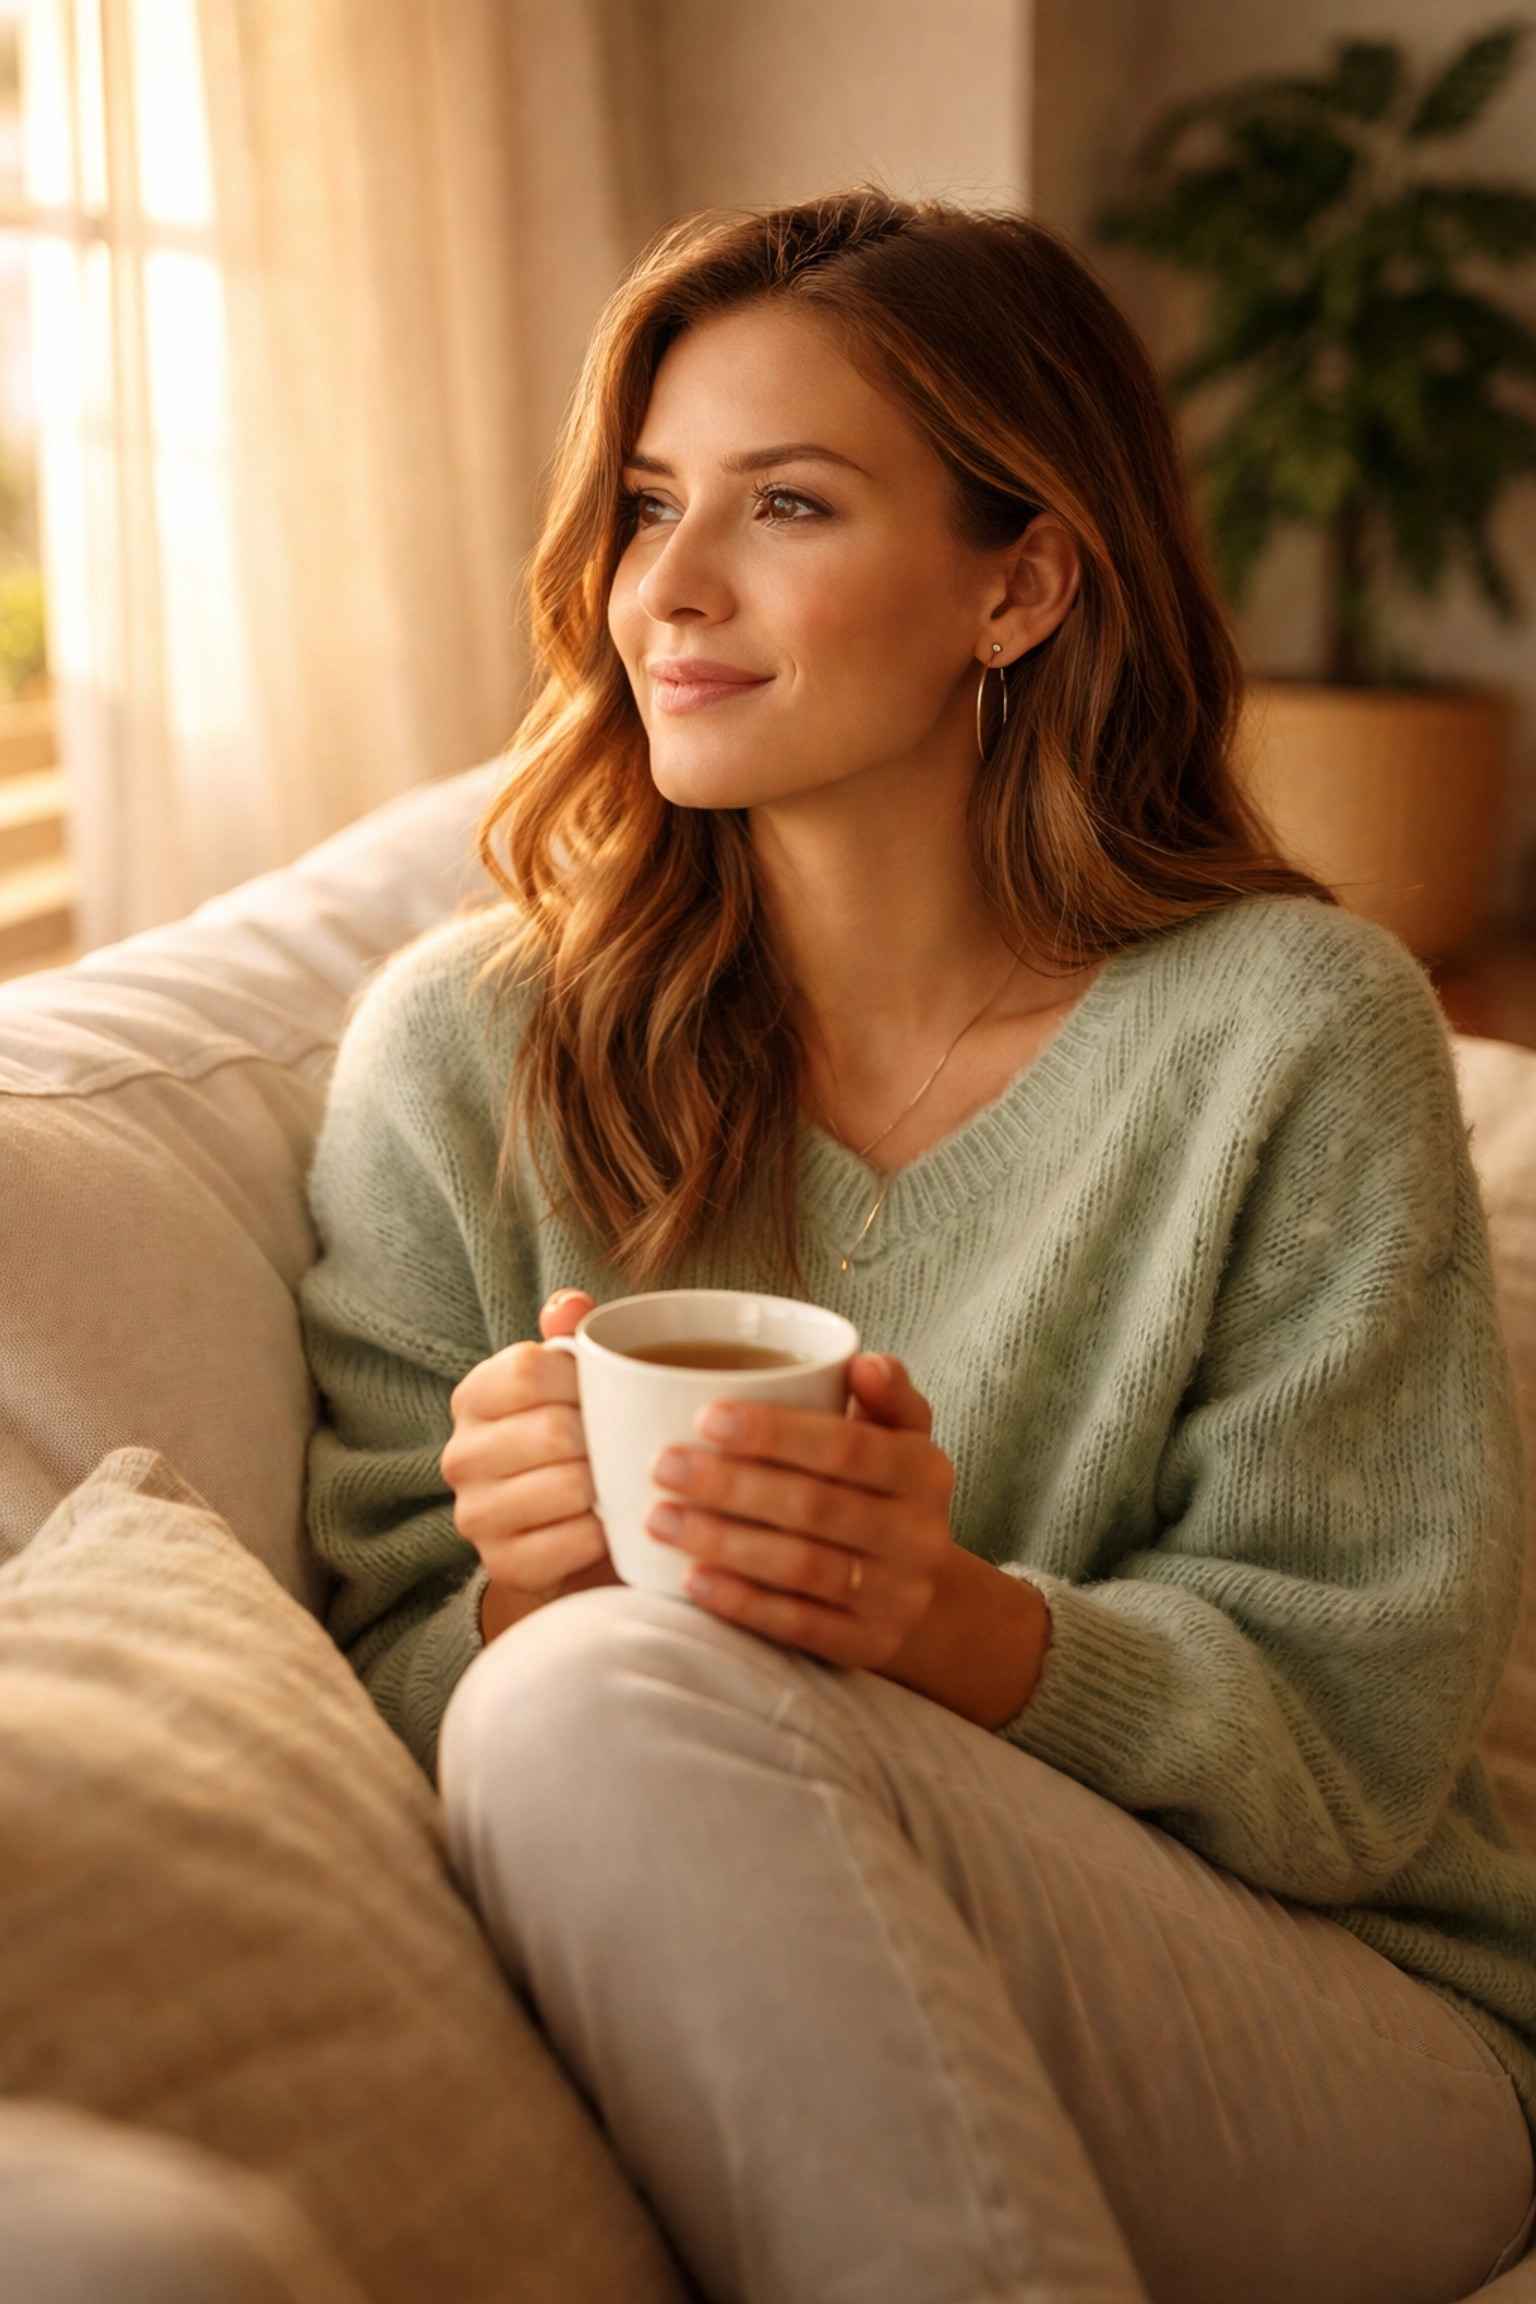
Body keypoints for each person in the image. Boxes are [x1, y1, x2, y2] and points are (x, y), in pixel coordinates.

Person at [300, 192, 1536, 2304]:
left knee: (594, 1698)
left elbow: (1351, 1740)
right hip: (779, 1974)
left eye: (784, 504)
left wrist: (944, 1621)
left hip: (1326, 2011)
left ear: (1024, 579)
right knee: (568, 1690)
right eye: (646, 504)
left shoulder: (1294, 1031)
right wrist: (514, 1588)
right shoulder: (464, 1051)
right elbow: (389, 1694)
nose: (667, 592)